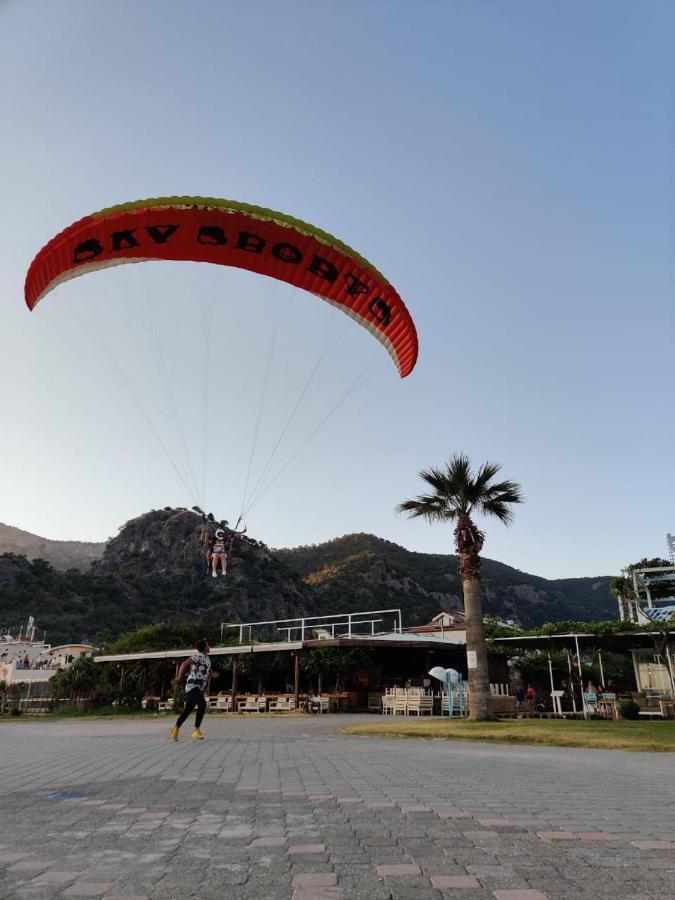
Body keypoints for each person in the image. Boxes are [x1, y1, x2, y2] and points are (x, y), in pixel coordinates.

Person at [170, 639, 219, 741]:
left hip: (199, 688)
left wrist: (213, 674)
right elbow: (184, 664)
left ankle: (175, 729)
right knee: (202, 704)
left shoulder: (207, 659)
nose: (209, 646)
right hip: (192, 686)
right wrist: (179, 678)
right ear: (205, 647)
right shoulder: (198, 656)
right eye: (208, 645)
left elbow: (209, 670)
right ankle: (196, 730)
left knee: (187, 710)